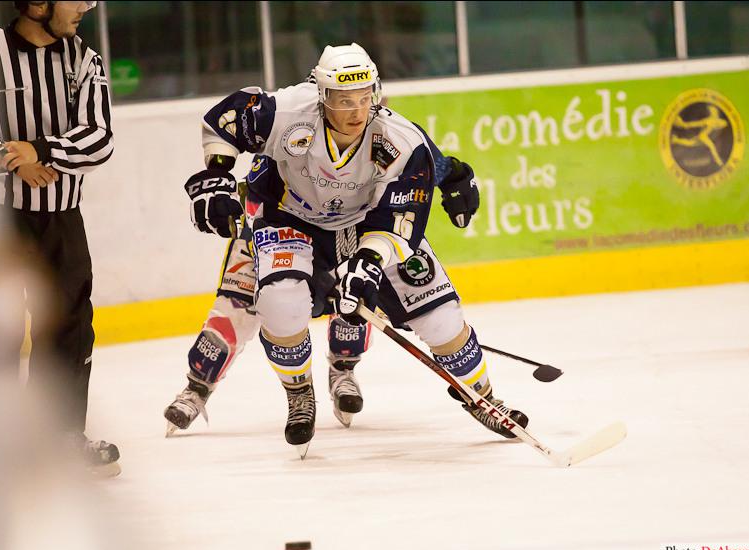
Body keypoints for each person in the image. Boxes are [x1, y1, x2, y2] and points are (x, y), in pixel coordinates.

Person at [185, 43, 520, 457]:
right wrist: (216, 177)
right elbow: (225, 121)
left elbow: (398, 219)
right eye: (344, 101)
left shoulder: (400, 141)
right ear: (322, 95)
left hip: (367, 225)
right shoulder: (287, 111)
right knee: (280, 303)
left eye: (364, 98)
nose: (357, 111)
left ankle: (483, 397)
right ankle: (299, 393)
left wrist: (368, 263)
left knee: (441, 318)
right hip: (290, 218)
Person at [164, 142, 478, 435]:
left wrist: (454, 173)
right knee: (233, 314)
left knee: (352, 299)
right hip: (267, 238)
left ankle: (343, 369)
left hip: (342, 239)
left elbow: (417, 161)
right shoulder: (290, 139)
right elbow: (256, 202)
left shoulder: (373, 141)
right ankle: (197, 387)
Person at [0, 0, 119, 476]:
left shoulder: (84, 60)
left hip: (62, 219)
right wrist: (7, 158)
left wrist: (40, 151)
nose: (85, 7)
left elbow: (100, 138)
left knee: (70, 327)